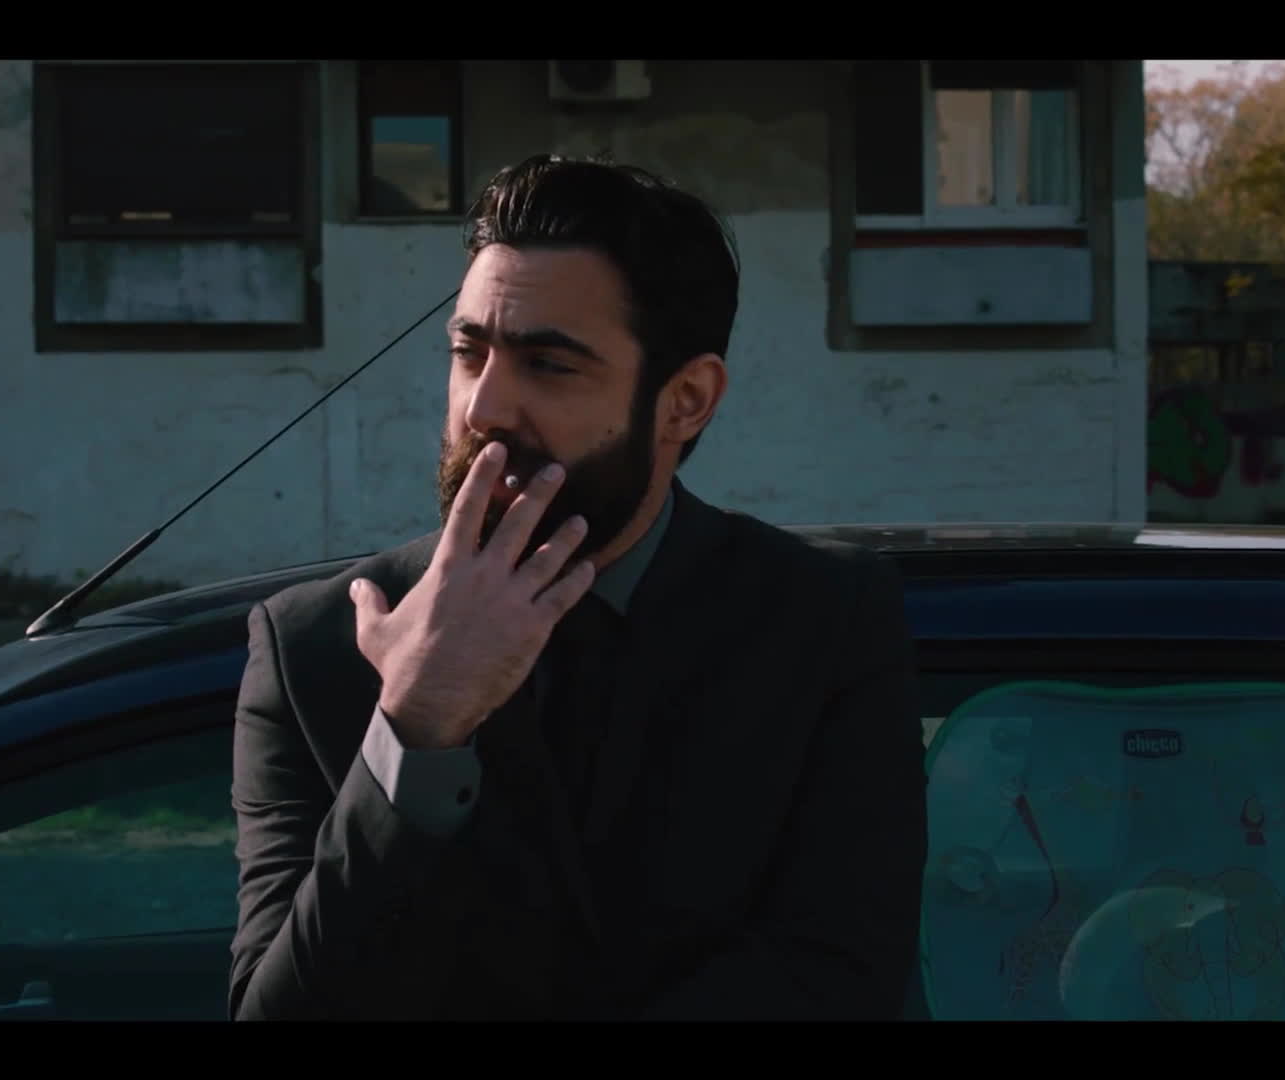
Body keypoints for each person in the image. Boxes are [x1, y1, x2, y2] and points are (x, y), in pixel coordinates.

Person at [227, 154, 928, 1021]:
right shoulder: (315, 649)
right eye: (469, 352)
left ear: (685, 400)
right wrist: (416, 731)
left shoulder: (820, 623)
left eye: (548, 365)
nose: (484, 409)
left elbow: (835, 979)